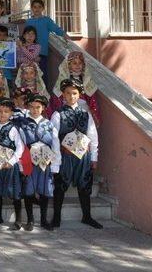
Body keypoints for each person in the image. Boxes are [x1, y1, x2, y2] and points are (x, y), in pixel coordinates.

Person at [50, 79, 102, 229]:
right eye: (68, 93)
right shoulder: (57, 114)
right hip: (65, 156)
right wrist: (56, 159)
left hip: (83, 157)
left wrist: (94, 157)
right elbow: (54, 138)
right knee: (60, 185)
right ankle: (56, 218)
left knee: (85, 185)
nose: (71, 96)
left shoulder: (86, 114)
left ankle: (87, 216)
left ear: (79, 95)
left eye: (74, 93)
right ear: (63, 95)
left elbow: (93, 136)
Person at [19, 94, 58, 231]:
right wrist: (21, 163)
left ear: (43, 108)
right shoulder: (23, 124)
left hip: (45, 161)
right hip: (29, 160)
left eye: (38, 107)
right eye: (31, 107)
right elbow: (21, 144)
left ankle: (43, 220)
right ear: (27, 107)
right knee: (29, 190)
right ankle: (30, 220)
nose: (35, 110)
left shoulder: (49, 124)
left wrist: (55, 164)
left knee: (44, 190)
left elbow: (55, 144)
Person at [0, 98, 25, 230]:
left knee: (14, 191)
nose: (3, 114)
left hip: (9, 165)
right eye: (0, 111)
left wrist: (12, 161)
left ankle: (18, 219)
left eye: (6, 112)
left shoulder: (13, 128)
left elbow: (20, 147)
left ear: (11, 113)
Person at [51, 51, 101, 126]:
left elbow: (92, 98)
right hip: (67, 112)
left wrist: (93, 112)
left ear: (83, 65)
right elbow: (57, 98)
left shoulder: (86, 80)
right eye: (74, 63)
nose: (78, 65)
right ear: (69, 65)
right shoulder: (63, 80)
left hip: (83, 111)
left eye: (80, 63)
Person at [25, 0, 65, 82]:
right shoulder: (28, 21)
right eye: (35, 7)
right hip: (29, 52)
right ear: (32, 8)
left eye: (39, 7)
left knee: (42, 75)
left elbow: (56, 29)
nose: (37, 9)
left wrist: (65, 35)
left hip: (41, 53)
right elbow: (25, 35)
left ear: (43, 8)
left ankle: (44, 94)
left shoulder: (47, 20)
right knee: (29, 75)